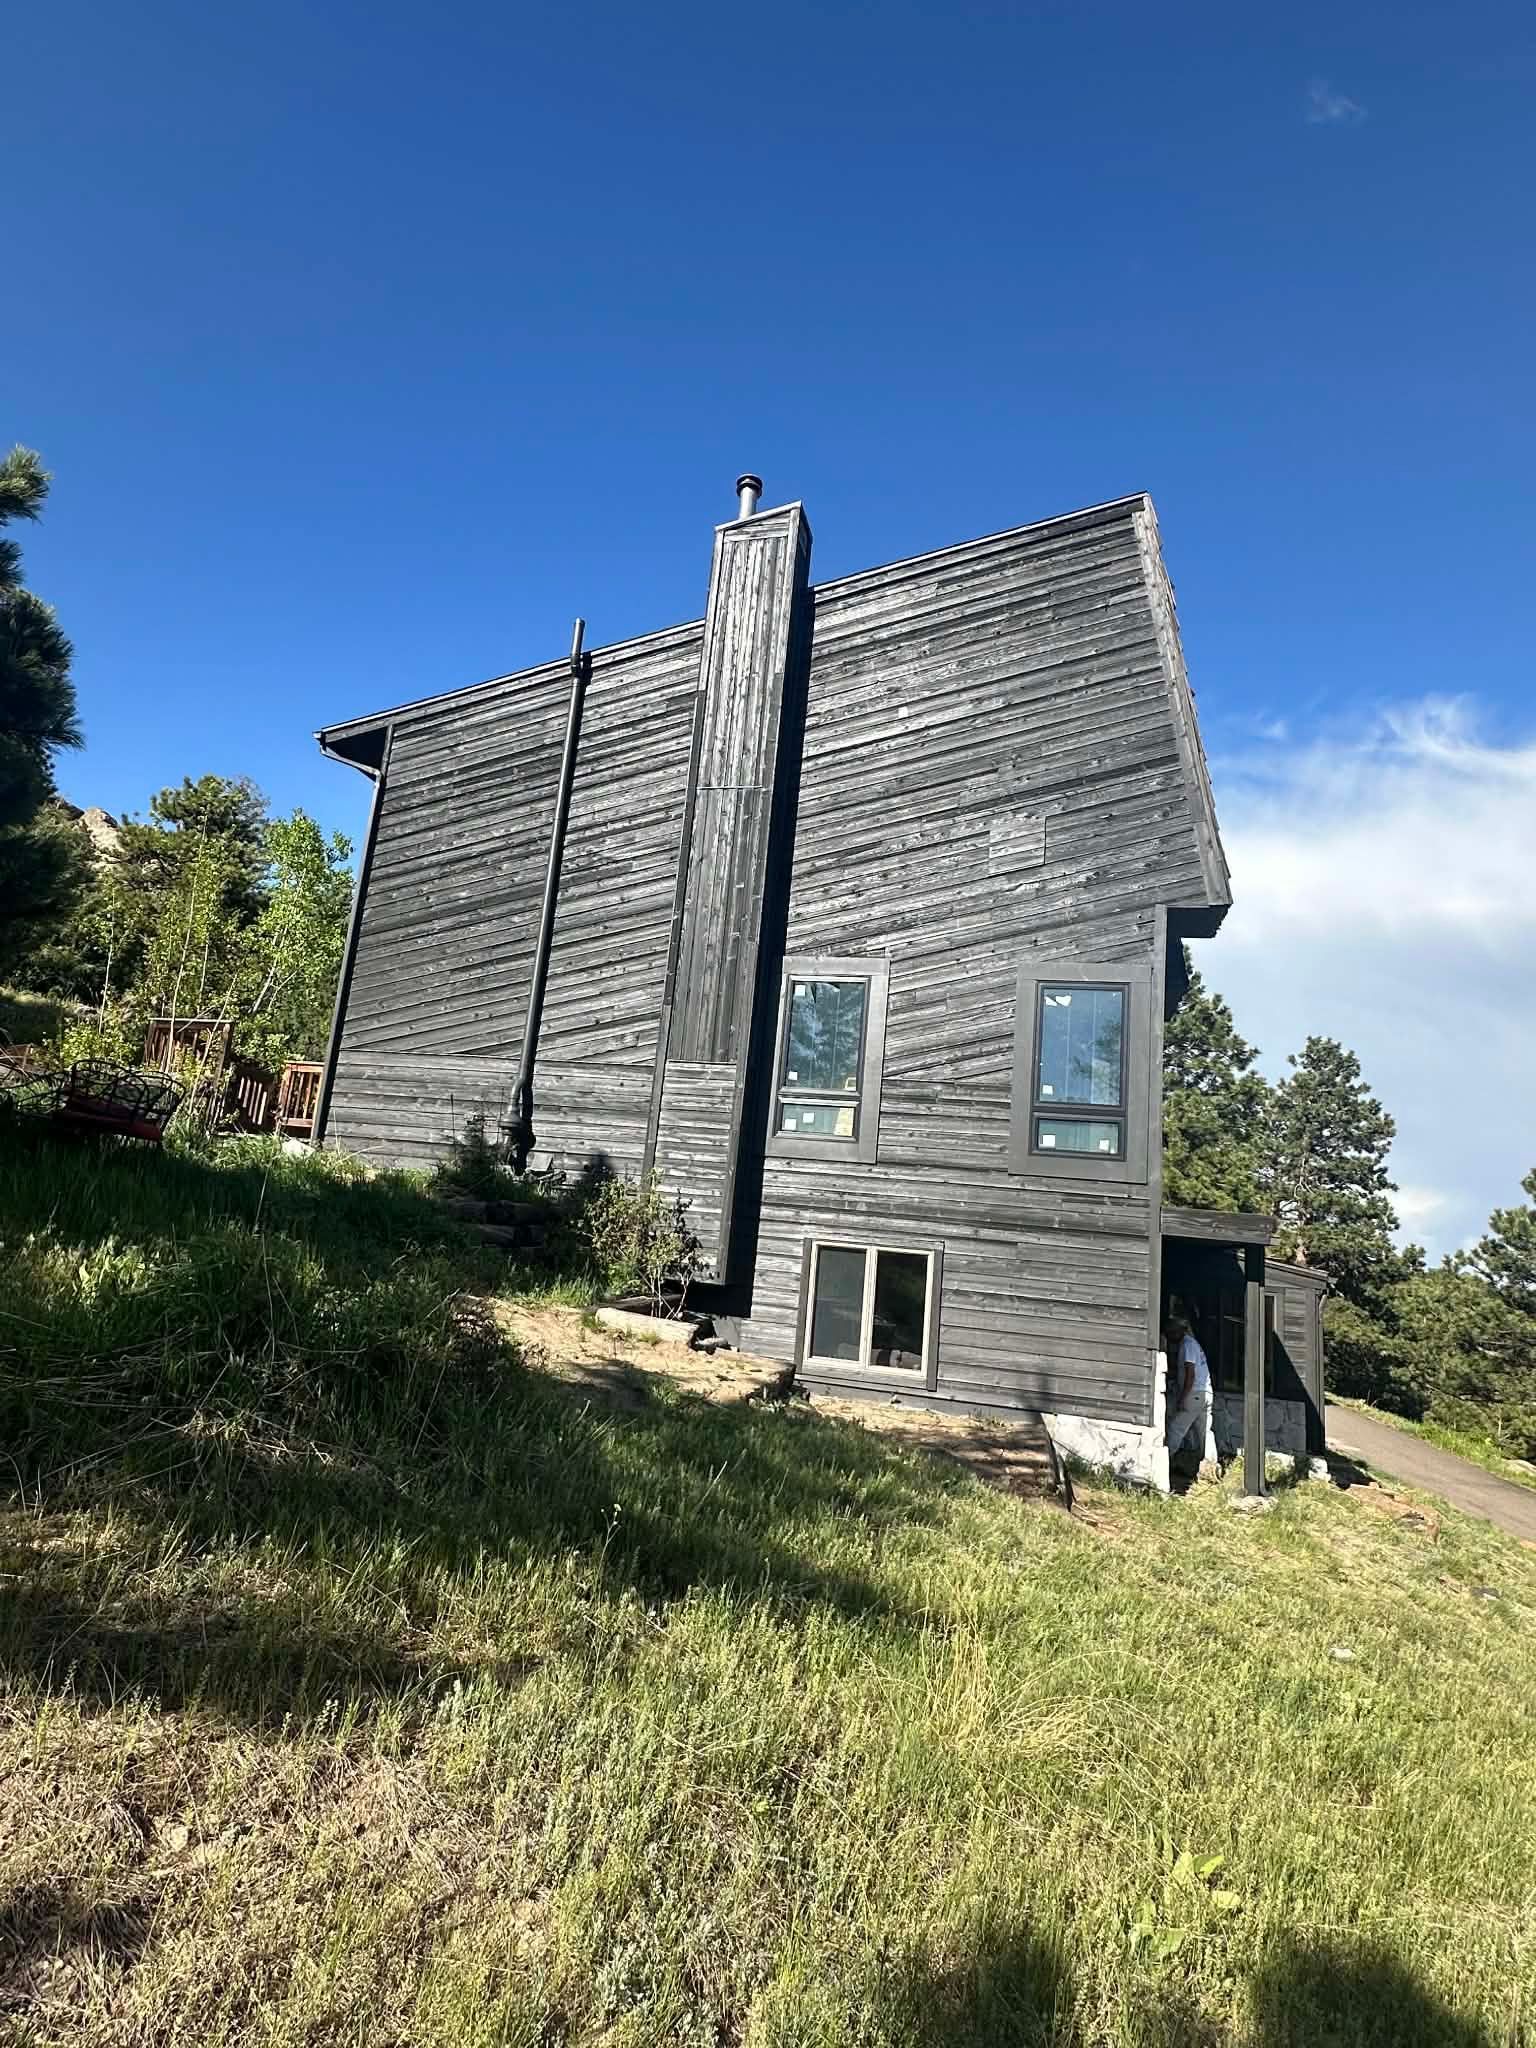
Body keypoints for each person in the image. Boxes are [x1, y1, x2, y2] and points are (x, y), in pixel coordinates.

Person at [1165, 1315, 1216, 1466]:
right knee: (1205, 1431)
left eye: (1171, 1332)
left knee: (1176, 1428)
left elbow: (1190, 1373)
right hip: (1205, 1392)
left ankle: (1165, 1460)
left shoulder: (1187, 1345)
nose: (1170, 1336)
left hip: (1193, 1394)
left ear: (1179, 1331)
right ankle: (1211, 1464)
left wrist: (1183, 1397)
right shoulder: (1194, 1344)